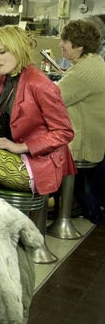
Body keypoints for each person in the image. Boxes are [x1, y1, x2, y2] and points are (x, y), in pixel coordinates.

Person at [0, 25, 76, 196]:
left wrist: (22, 147)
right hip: (4, 159)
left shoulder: (40, 84)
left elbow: (64, 132)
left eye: (2, 52)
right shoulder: (3, 79)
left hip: (34, 166)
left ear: (17, 48)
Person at [56, 19, 105, 223]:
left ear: (79, 46)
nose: (61, 45)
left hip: (81, 143)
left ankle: (62, 212)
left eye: (65, 41)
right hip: (94, 135)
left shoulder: (83, 71)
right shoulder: (94, 62)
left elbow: (54, 99)